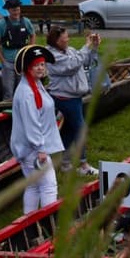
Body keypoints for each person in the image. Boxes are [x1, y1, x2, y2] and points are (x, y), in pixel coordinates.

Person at [9, 45, 64, 215]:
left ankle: (29, 224)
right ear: (28, 68)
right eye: (36, 65)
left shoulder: (35, 84)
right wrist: (41, 148)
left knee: (33, 186)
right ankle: (50, 225)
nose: (41, 68)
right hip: (33, 149)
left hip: (29, 147)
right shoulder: (27, 93)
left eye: (42, 64)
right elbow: (31, 123)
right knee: (48, 186)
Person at [43, 23, 103, 170]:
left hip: (73, 96)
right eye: (65, 38)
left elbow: (86, 62)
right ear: (57, 41)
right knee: (80, 129)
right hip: (65, 98)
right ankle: (83, 165)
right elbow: (73, 65)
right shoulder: (52, 56)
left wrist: (94, 47)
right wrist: (86, 46)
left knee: (70, 129)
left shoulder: (68, 50)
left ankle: (65, 163)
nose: (68, 40)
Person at [0, 0, 35, 102]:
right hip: (9, 60)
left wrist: (29, 50)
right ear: (8, 10)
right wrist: (3, 60)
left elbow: (32, 35)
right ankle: (7, 108)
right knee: (8, 89)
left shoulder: (25, 21)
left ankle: (23, 105)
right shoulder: (1, 24)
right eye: (13, 10)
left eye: (17, 10)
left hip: (22, 60)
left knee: (23, 87)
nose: (16, 13)